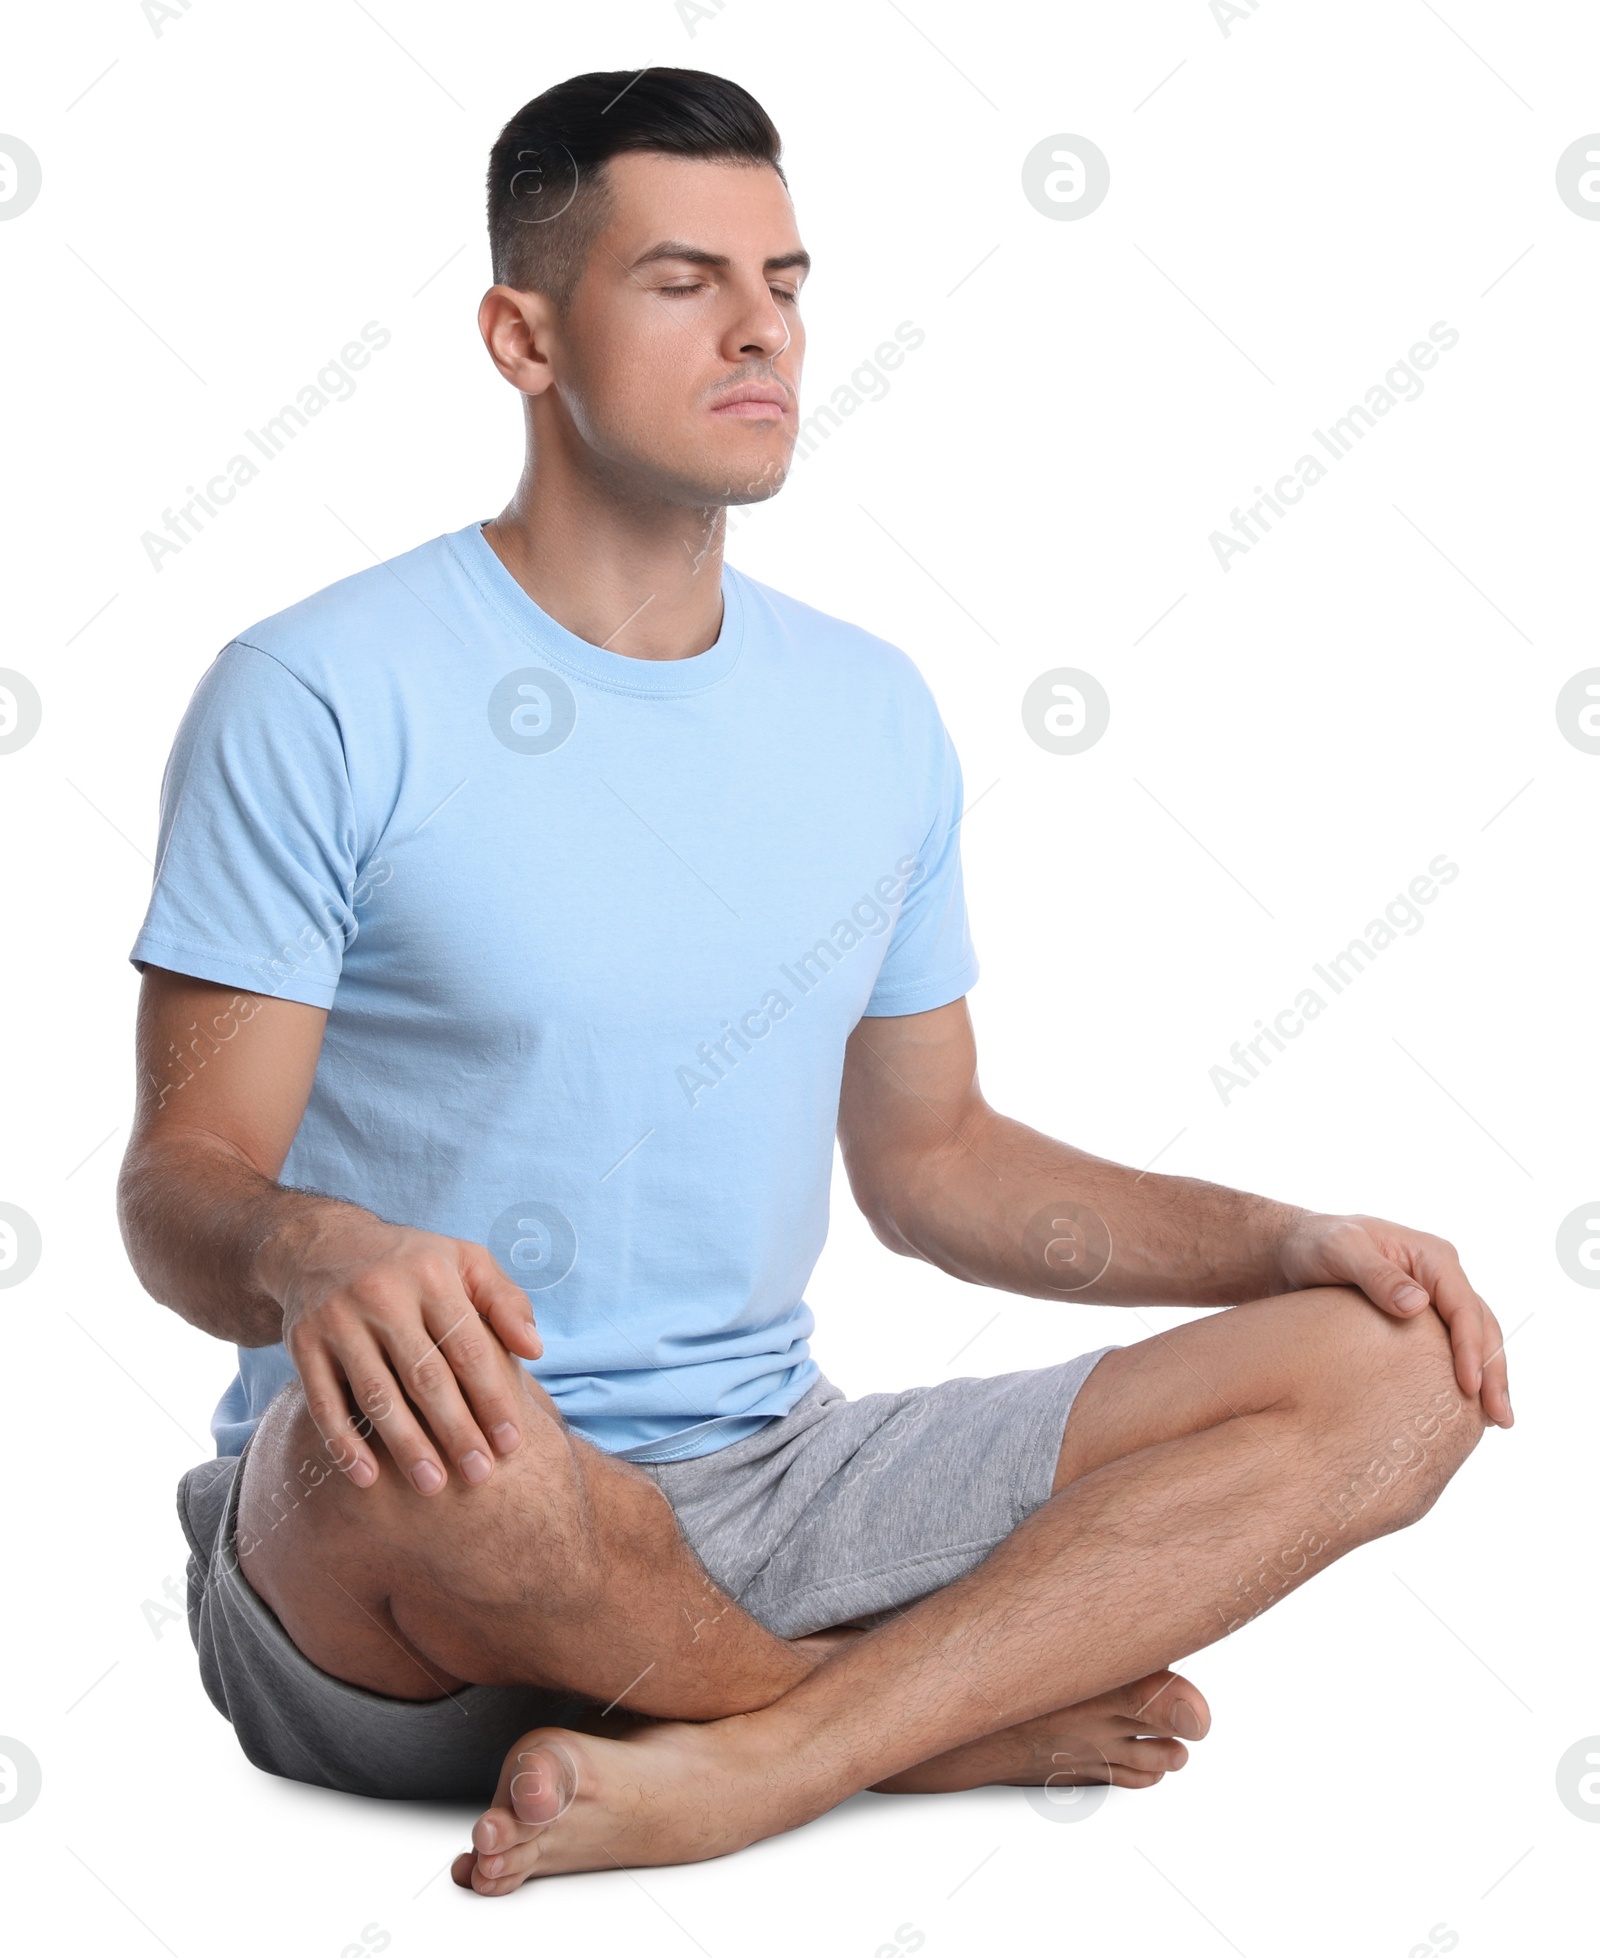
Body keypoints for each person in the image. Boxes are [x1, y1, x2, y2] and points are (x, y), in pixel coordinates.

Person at [117, 68, 1509, 1895]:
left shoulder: (870, 713)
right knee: (447, 1452)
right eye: (684, 279)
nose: (762, 322)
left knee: (1403, 1370)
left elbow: (936, 1169)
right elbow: (179, 1189)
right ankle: (904, 1730)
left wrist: (1283, 1239)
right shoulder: (316, 693)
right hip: (408, 1531)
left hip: (769, 1480)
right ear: (521, 337)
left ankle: (769, 1753)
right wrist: (313, 1253)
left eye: (785, 277)